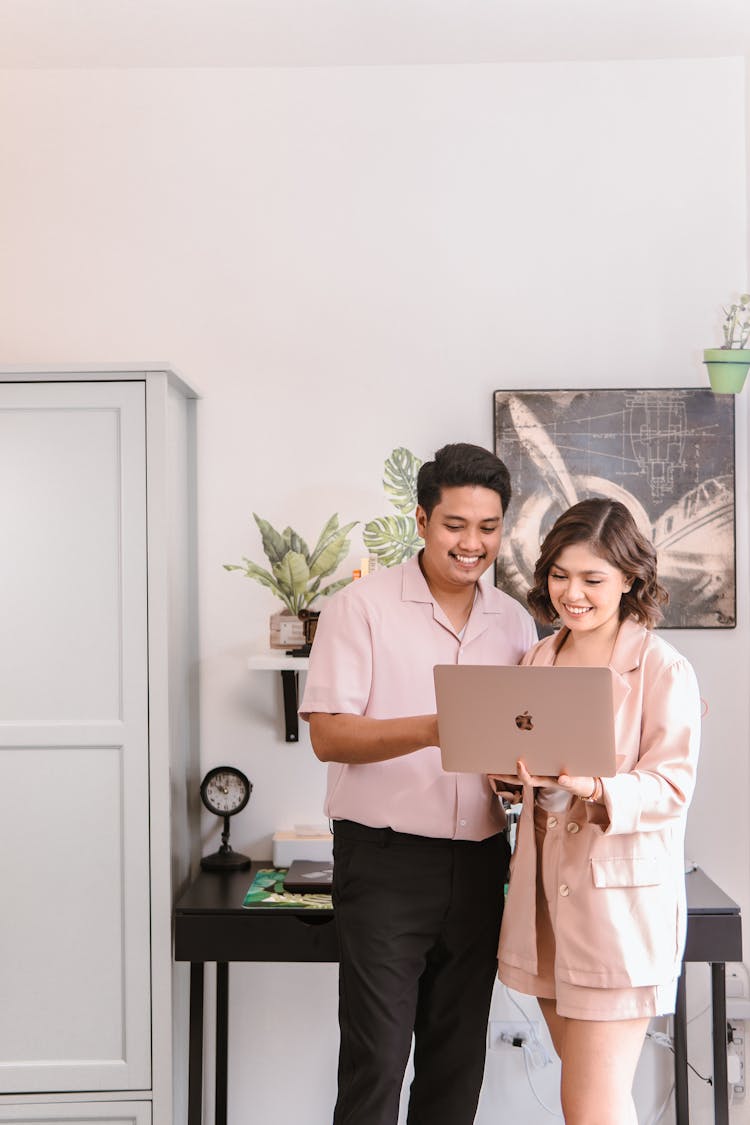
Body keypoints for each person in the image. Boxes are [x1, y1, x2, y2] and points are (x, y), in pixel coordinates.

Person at [300, 442, 537, 1125]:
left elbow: (520, 737)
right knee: (375, 1059)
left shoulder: (514, 621)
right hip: (384, 861)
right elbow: (330, 735)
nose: (472, 543)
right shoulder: (361, 607)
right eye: (455, 525)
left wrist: (522, 775)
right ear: (423, 520)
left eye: (488, 528)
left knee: (457, 1061)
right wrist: (440, 727)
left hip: (483, 861)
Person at [491, 498, 702, 1125]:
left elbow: (671, 785)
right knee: (595, 1100)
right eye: (560, 574)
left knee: (589, 1105)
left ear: (630, 580)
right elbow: (532, 773)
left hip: (618, 909)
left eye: (592, 579)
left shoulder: (662, 667)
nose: (571, 593)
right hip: (548, 902)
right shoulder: (538, 658)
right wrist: (510, 778)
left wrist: (596, 787)